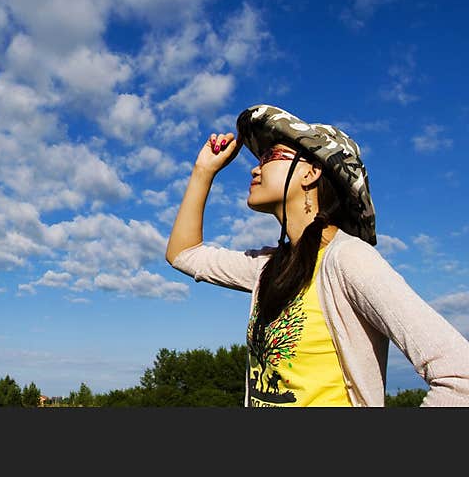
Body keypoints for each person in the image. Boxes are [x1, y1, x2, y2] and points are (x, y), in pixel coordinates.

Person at [165, 103, 469, 407]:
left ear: (311, 172)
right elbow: (184, 254)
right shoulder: (270, 266)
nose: (255, 167)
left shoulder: (348, 260)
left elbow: (460, 376)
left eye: (270, 156)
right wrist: (203, 171)